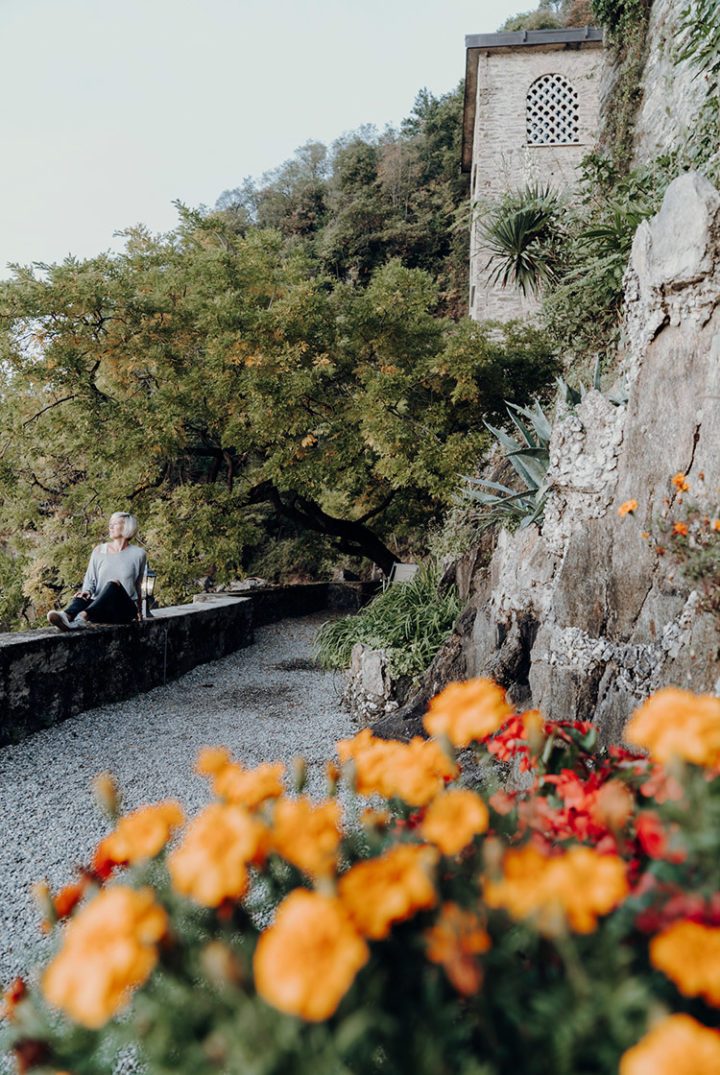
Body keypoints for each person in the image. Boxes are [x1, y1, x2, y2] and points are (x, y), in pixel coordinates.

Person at [47, 512, 147, 631]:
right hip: (99, 610)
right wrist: (86, 591)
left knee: (113, 584)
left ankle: (82, 618)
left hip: (123, 611)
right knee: (82, 596)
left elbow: (138, 586)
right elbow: (90, 580)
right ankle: (66, 616)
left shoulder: (139, 554)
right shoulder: (99, 551)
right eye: (110, 524)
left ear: (127, 527)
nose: (110, 527)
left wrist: (140, 612)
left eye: (115, 524)